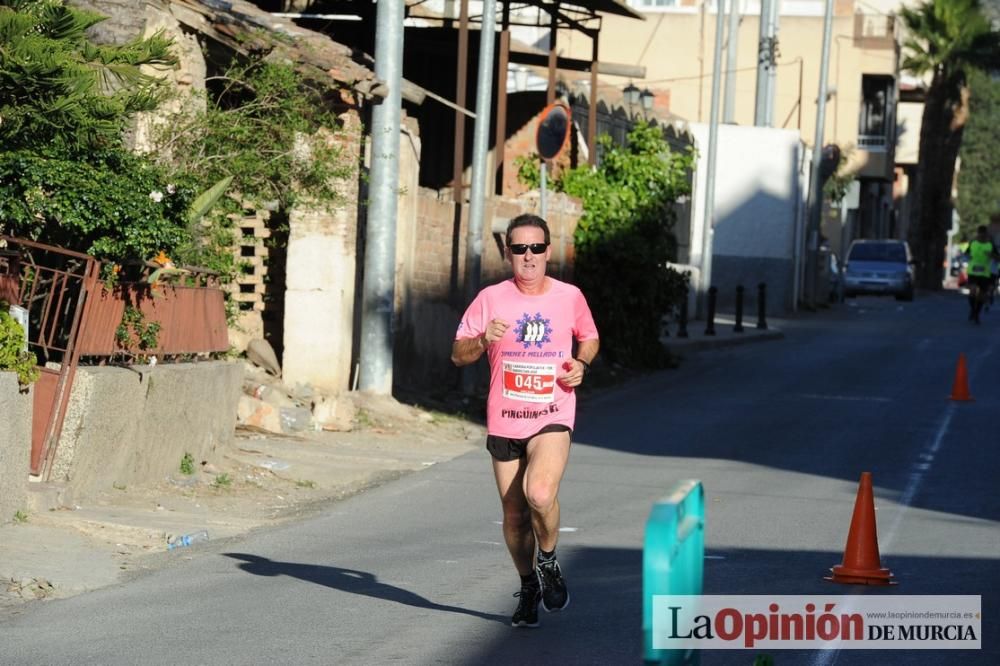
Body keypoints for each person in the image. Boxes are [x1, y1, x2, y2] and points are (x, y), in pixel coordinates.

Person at [451, 213, 599, 628]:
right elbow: (458, 353)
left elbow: (589, 336)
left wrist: (581, 364)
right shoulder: (491, 298)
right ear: (508, 253)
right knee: (514, 516)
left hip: (552, 412)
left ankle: (548, 562)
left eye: (536, 248)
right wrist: (483, 341)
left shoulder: (569, 296)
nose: (529, 256)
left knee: (539, 493)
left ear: (548, 252)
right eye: (520, 249)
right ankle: (528, 583)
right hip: (505, 418)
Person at [964, 225, 999, 324]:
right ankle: (973, 310)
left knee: (982, 295)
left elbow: (998, 258)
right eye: (980, 234)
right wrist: (968, 257)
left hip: (985, 272)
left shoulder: (990, 244)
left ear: (986, 234)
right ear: (978, 233)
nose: (982, 236)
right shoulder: (973, 243)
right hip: (973, 271)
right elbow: (966, 254)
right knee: (972, 290)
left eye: (984, 235)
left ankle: (976, 314)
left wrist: (991, 255)